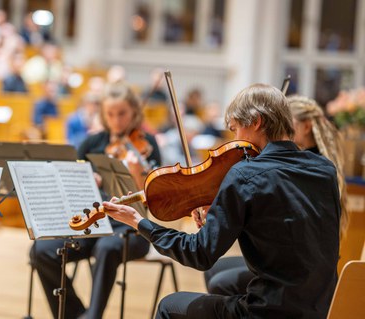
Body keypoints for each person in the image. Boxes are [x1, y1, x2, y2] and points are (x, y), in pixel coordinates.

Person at [103, 83, 341, 319]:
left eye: (235, 128)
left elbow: (199, 254)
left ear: (256, 121)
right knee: (222, 280)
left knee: (169, 305)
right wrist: (227, 208)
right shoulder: (324, 170)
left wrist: (139, 222)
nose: (235, 139)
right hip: (320, 306)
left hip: (270, 311)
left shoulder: (244, 174)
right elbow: (281, 216)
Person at [30, 82, 161, 319]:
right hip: (92, 224)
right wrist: (87, 179)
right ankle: (74, 314)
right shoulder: (92, 144)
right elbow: (71, 183)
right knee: (41, 250)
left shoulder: (146, 145)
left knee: (107, 247)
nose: (117, 121)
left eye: (122, 113)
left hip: (132, 230)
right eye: (110, 114)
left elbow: (153, 200)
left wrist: (135, 173)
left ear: (134, 111)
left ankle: (93, 316)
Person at [202, 94, 349, 297]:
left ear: (306, 127)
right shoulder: (312, 164)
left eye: (290, 123)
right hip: (294, 258)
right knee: (214, 270)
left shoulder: (311, 167)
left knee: (221, 281)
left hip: (297, 265)